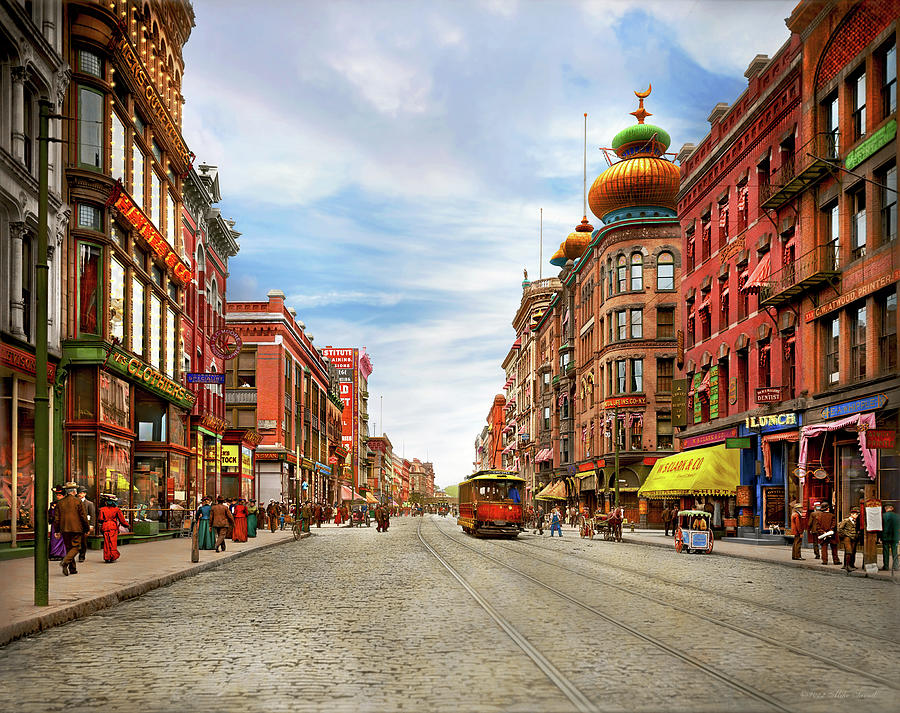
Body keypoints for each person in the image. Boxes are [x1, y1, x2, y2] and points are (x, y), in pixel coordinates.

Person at [53, 482, 89, 576]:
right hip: (76, 529)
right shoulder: (78, 501)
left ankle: (72, 569)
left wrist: (57, 531)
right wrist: (87, 528)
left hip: (64, 529)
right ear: (74, 491)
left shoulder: (60, 503)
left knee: (69, 548)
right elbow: (83, 517)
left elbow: (56, 519)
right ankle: (65, 561)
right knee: (76, 547)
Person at [98, 493, 130, 563]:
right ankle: (112, 556)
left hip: (105, 526)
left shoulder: (102, 509)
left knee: (106, 542)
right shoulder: (117, 509)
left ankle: (107, 557)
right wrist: (127, 525)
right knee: (113, 542)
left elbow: (100, 519)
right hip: (113, 527)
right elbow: (122, 520)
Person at [76, 486, 95, 563]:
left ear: (85, 494)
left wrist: (91, 525)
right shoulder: (75, 502)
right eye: (80, 493)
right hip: (76, 524)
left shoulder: (89, 504)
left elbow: (92, 515)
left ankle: (82, 556)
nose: (81, 494)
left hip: (85, 525)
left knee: (83, 541)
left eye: (82, 493)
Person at [48, 486, 67, 561]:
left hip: (63, 523)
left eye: (60, 495)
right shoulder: (53, 504)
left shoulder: (66, 503)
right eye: (57, 495)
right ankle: (54, 553)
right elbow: (50, 513)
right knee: (54, 539)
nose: (58, 497)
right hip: (55, 524)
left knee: (62, 539)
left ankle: (62, 554)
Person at [838, 507, 860, 571]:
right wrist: (845, 534)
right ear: (851, 514)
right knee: (848, 551)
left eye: (857, 514)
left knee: (853, 551)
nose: (856, 515)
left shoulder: (856, 522)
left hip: (854, 538)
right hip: (847, 538)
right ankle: (847, 565)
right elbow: (840, 529)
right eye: (855, 514)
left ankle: (851, 564)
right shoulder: (846, 521)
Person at [880, 504, 898, 572]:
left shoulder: (882, 516)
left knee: (885, 552)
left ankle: (886, 566)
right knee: (895, 551)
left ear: (885, 508)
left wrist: (880, 537)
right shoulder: (897, 516)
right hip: (895, 537)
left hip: (885, 537)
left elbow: (881, 527)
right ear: (892, 508)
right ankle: (896, 566)